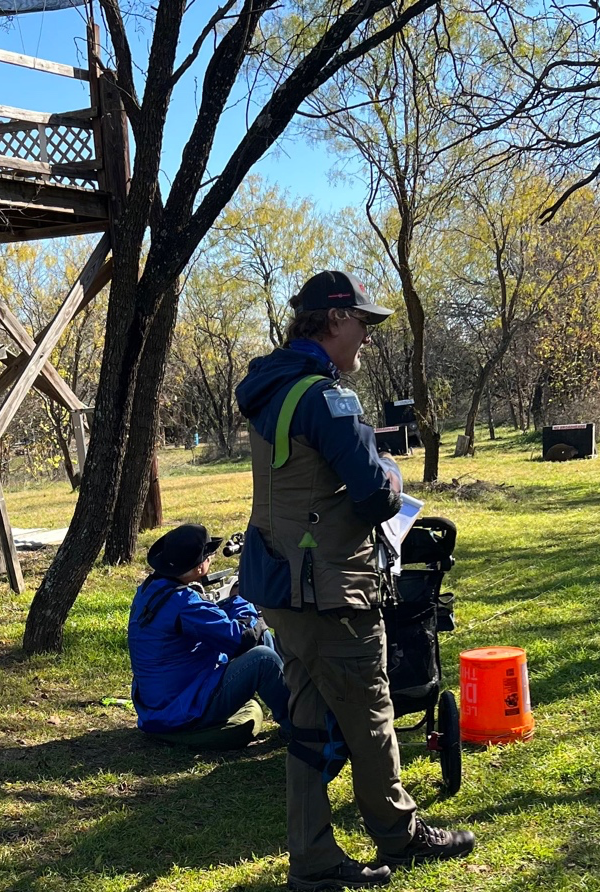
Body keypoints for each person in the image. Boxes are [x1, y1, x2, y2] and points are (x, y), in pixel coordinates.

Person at [236, 271, 474, 891]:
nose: (366, 337)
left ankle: (312, 857)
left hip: (278, 584)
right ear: (334, 320)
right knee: (371, 718)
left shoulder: (272, 388)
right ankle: (401, 834)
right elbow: (373, 497)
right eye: (363, 324)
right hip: (329, 590)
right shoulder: (325, 397)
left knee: (309, 724)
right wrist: (393, 473)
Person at [127, 523, 290, 741]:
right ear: (197, 567)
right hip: (182, 711)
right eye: (208, 556)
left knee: (262, 639)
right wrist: (243, 599)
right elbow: (244, 639)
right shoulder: (185, 603)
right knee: (264, 659)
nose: (211, 559)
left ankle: (292, 706)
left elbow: (204, 618)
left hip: (158, 706)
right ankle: (299, 727)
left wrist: (232, 601)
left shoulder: (150, 589)